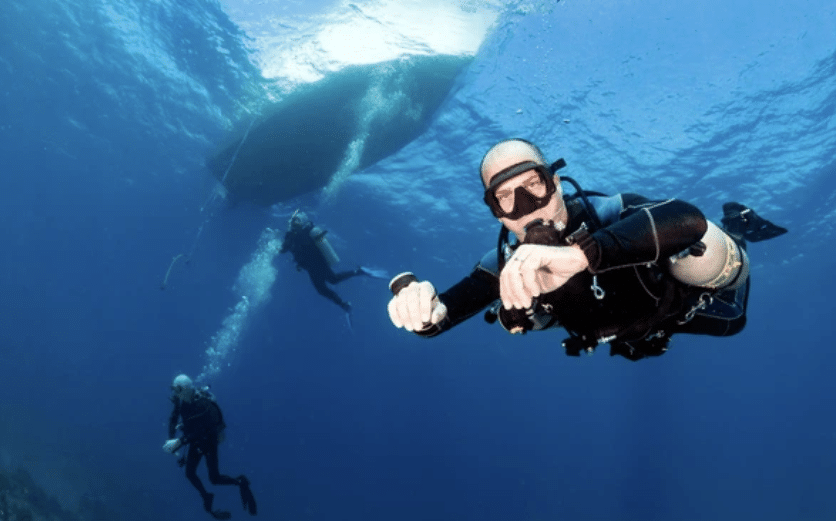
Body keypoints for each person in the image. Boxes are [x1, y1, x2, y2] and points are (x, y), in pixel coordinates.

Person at [387, 138, 787, 360]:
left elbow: (686, 219)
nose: (527, 205)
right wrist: (422, 310)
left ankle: (738, 226)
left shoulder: (611, 212)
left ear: (556, 183)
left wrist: (581, 254)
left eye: (534, 184)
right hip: (633, 336)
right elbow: (439, 318)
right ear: (497, 214)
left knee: (731, 314)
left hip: (677, 305)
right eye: (506, 197)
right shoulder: (503, 267)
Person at [162, 374, 257, 520]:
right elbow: (174, 419)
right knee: (190, 474)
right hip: (193, 440)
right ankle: (206, 496)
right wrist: (171, 439)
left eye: (178, 389)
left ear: (187, 389)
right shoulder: (182, 402)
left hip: (208, 441)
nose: (176, 393)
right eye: (174, 389)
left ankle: (240, 482)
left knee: (215, 478)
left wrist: (180, 441)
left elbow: (203, 430)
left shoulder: (202, 404)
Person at [279, 209, 386, 314]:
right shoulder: (292, 236)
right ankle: (344, 303)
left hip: (318, 262)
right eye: (294, 222)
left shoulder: (304, 231)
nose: (295, 224)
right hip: (311, 267)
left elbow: (284, 249)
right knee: (324, 287)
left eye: (297, 221)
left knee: (332, 281)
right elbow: (283, 250)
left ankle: (358, 274)